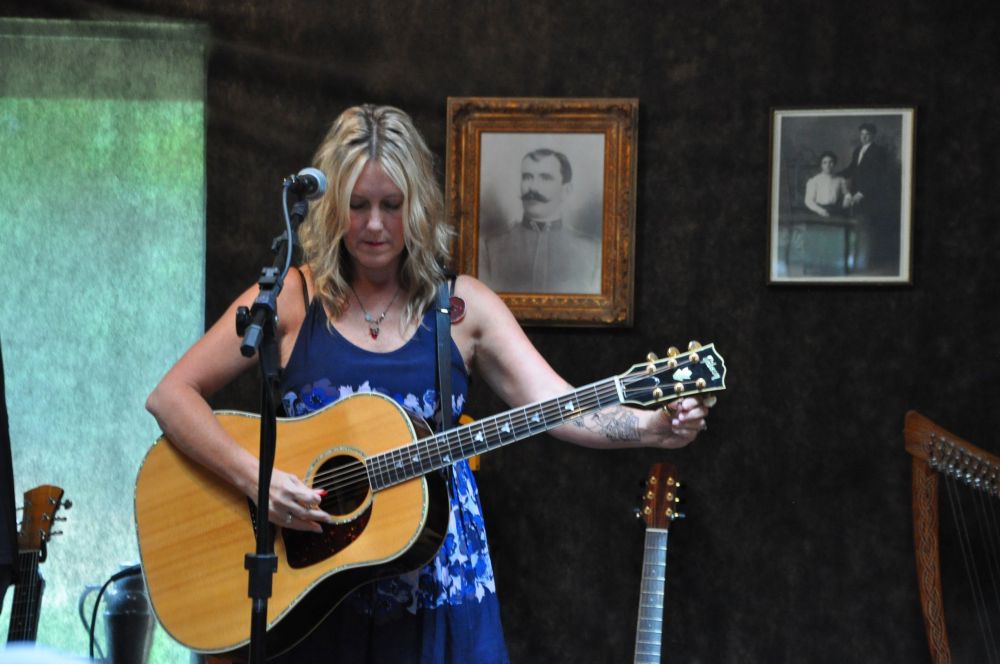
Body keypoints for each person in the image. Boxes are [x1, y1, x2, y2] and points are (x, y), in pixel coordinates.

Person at [145, 104, 713, 663]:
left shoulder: (463, 310)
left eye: (391, 205)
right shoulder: (292, 298)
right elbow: (171, 395)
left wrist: (650, 426)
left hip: (438, 588)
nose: (373, 224)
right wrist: (256, 479)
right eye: (357, 204)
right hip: (312, 592)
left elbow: (558, 407)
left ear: (417, 207)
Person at [478, 148, 601, 294]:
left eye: (545, 178)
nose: (533, 187)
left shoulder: (591, 252)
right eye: (527, 177)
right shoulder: (491, 246)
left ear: (566, 190)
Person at [840, 122, 897, 272]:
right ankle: (860, 261)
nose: (864, 137)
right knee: (860, 226)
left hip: (872, 196)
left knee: (869, 228)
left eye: (867, 135)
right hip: (857, 194)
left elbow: (877, 177)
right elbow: (852, 169)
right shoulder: (858, 150)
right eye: (862, 134)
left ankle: (868, 263)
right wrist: (835, 175)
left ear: (873, 136)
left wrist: (862, 193)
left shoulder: (880, 151)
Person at [803, 151, 848, 218]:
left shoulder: (840, 180)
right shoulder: (814, 180)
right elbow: (808, 201)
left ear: (834, 164)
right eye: (824, 162)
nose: (828, 165)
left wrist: (847, 198)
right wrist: (820, 211)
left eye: (831, 162)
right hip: (818, 211)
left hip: (835, 211)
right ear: (821, 165)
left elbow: (846, 193)